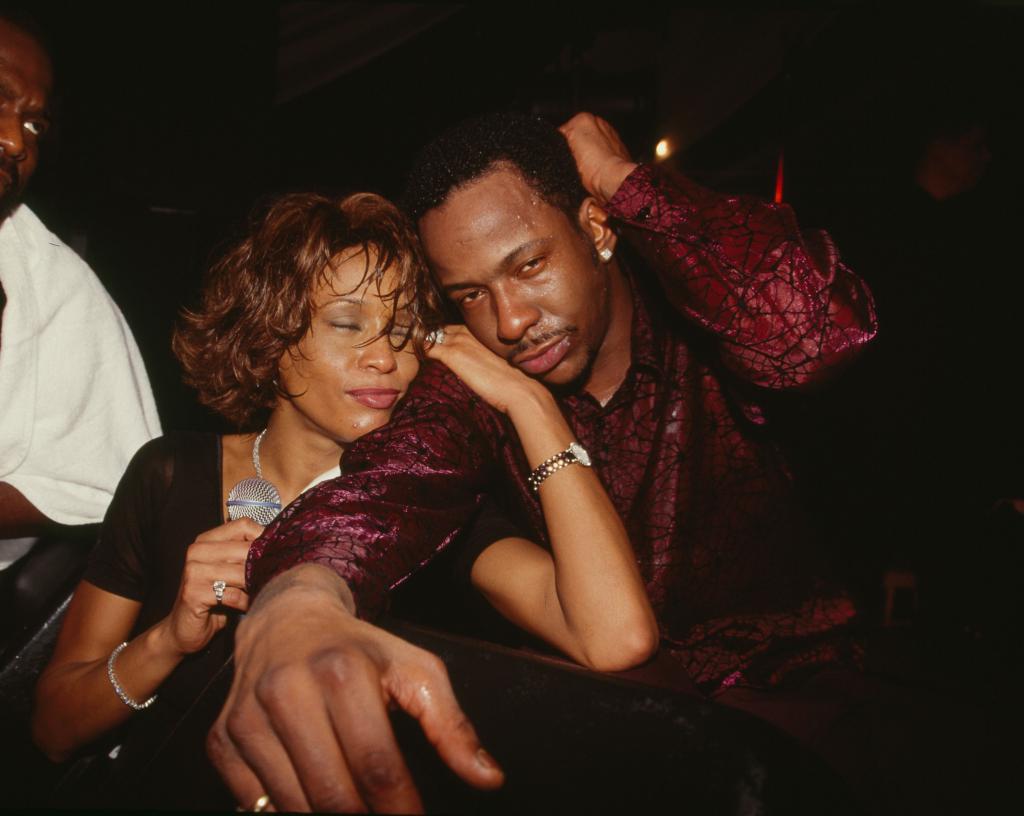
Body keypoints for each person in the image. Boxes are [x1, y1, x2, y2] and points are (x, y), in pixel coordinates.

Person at [207, 111, 879, 814]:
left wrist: (628, 183)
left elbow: (816, 336)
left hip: (797, 713)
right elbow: (387, 485)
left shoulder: (706, 318)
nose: (510, 321)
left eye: (528, 266)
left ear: (595, 228)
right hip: (617, 739)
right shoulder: (474, 377)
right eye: (470, 294)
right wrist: (299, 598)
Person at [30, 192, 430, 763]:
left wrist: (525, 405)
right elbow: (52, 727)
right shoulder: (169, 474)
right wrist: (170, 639)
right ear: (269, 336)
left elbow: (603, 629)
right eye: (347, 323)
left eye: (405, 329)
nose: (385, 356)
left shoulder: (425, 500)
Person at [0, 13, 159, 547]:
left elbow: (111, 479)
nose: (14, 141)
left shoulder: (53, 284)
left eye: (33, 125)